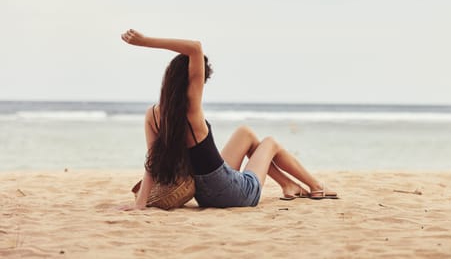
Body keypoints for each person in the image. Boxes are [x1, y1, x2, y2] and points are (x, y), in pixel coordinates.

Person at [119, 29, 337, 210]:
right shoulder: (191, 108)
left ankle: (288, 185)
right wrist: (144, 41)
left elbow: (152, 163)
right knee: (270, 143)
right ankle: (316, 186)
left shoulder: (153, 115)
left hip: (204, 195)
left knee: (246, 134)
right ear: (194, 81)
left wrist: (140, 204)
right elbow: (195, 47)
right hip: (233, 194)